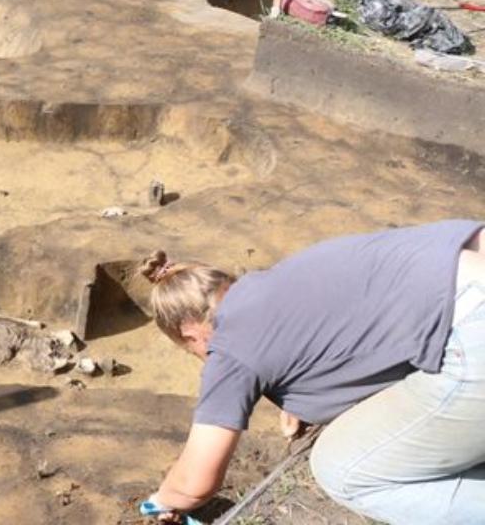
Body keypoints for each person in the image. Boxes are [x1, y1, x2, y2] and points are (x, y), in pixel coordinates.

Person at [138, 219, 485, 525]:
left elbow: (196, 483)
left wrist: (161, 501)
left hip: (473, 325)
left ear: (190, 333)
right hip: (468, 257)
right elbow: (344, 335)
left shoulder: (229, 344)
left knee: (343, 470)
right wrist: (303, 396)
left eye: (195, 349)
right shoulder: (282, 279)